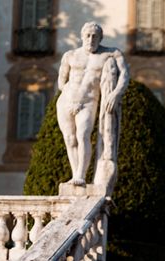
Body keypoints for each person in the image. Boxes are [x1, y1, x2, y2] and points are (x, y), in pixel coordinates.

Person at [56, 22, 130, 190]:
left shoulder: (111, 54)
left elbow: (125, 74)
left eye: (95, 36)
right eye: (88, 35)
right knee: (70, 139)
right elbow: (61, 80)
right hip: (66, 102)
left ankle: (81, 175)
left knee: (83, 135)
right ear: (82, 36)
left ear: (100, 38)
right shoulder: (70, 55)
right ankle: (75, 174)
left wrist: (115, 93)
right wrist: (68, 92)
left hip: (89, 102)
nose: (91, 39)